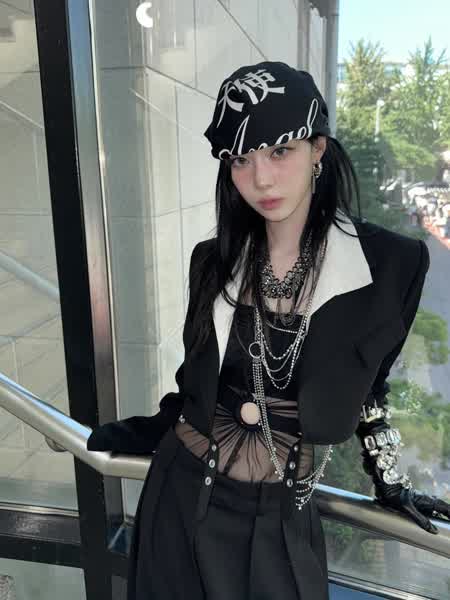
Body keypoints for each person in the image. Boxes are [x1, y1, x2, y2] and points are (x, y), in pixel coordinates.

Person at [87, 61, 450, 600]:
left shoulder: (392, 264)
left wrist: (389, 478)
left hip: (282, 515)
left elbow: (370, 383)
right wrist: (140, 432)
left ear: (318, 148)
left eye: (280, 151)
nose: (260, 179)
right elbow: (196, 386)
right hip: (180, 496)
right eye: (241, 159)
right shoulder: (212, 260)